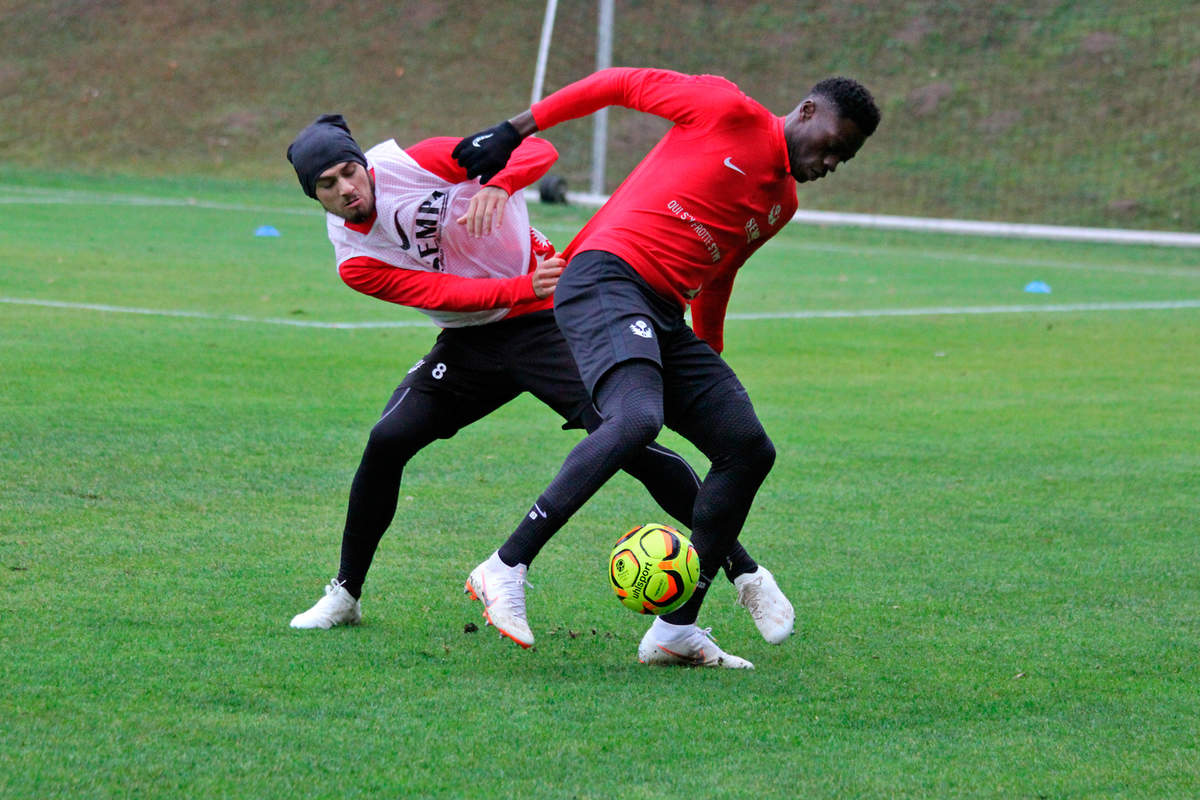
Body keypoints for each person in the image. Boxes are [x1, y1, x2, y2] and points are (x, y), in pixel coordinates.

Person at [284, 114, 795, 646]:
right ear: (313, 195)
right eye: (327, 184)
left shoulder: (409, 164)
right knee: (386, 440)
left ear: (364, 163)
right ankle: (345, 594)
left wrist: (501, 183)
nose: (346, 188)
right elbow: (443, 296)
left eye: (349, 171)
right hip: (473, 341)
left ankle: (745, 573)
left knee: (631, 442)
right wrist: (521, 286)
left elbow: (537, 152)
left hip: (550, 321)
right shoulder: (354, 259)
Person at [454, 68, 880, 668]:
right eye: (833, 144)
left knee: (747, 447)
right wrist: (513, 130)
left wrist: (710, 362)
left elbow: (718, 275)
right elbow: (618, 83)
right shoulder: (727, 110)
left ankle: (675, 630)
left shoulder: (781, 204)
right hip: (605, 277)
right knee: (636, 420)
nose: (833, 161)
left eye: (846, 158)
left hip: (663, 314)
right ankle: (505, 566)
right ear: (807, 112)